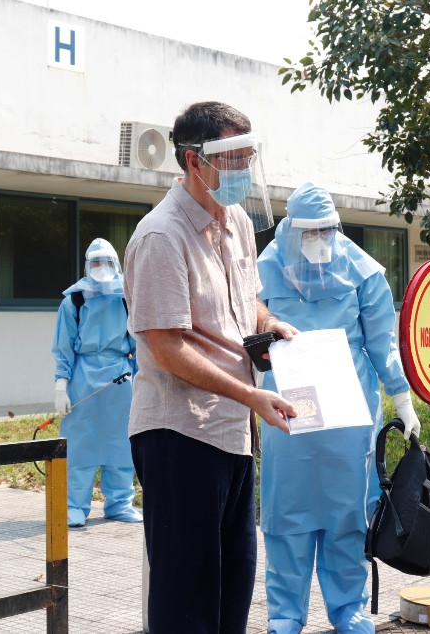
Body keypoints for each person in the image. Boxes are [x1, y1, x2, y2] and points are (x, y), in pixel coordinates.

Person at [123, 101, 298, 634]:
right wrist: (250, 395)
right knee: (186, 598)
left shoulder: (238, 221)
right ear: (194, 160)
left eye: (248, 157)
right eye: (232, 158)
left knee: (232, 586)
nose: (243, 170)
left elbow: (247, 300)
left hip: (233, 430)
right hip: (180, 433)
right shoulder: (161, 236)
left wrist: (272, 324)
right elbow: (168, 348)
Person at [256, 182, 421, 634]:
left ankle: (350, 609)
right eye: (309, 231)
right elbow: (246, 333)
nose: (318, 239)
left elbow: (382, 341)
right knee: (286, 512)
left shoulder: (362, 271)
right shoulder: (263, 270)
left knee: (348, 513)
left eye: (326, 230)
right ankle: (285, 614)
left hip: (348, 411)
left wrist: (402, 398)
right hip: (288, 408)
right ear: (290, 228)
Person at [51, 237, 142, 528]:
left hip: (121, 379)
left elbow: (139, 344)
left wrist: (142, 379)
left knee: (121, 443)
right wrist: (61, 385)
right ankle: (74, 506)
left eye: (107, 262)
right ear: (87, 265)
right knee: (80, 444)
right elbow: (63, 346)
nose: (102, 267)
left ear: (117, 264)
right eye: (96, 262)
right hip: (83, 378)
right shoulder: (74, 301)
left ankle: (120, 503)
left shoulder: (128, 298)